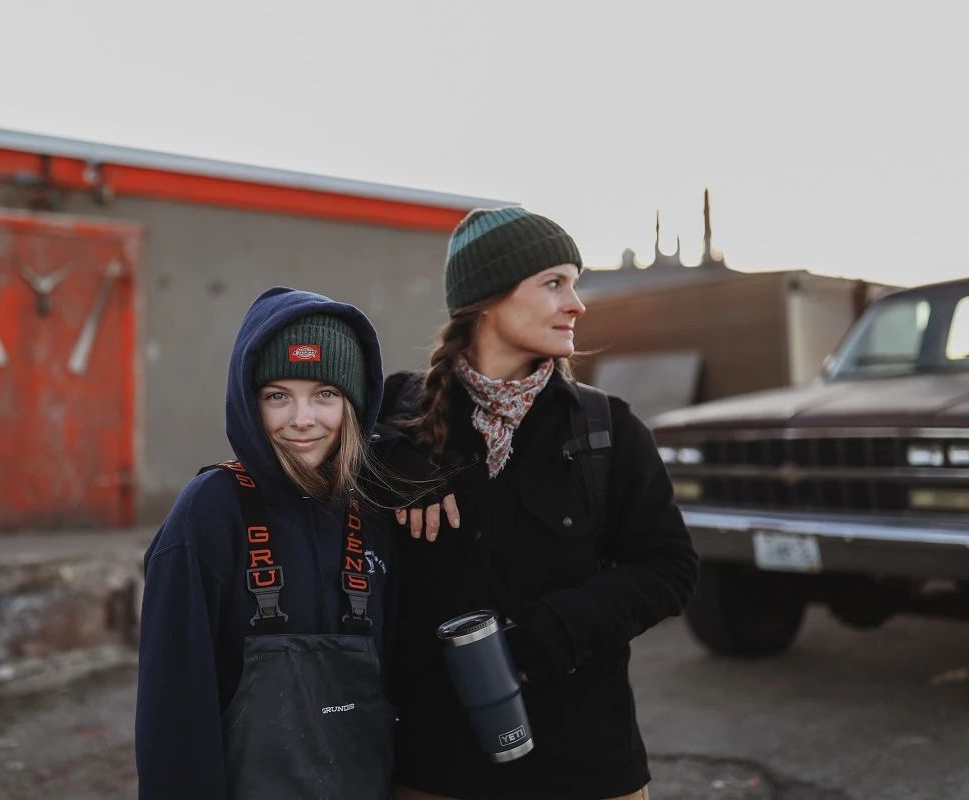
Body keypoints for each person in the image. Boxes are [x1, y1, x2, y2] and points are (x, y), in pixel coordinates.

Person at [379, 207, 699, 800]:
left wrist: (549, 631)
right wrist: (393, 457)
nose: (576, 303)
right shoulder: (395, 420)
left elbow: (670, 570)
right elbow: (307, 453)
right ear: (484, 299)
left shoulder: (608, 429)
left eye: (574, 282)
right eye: (554, 283)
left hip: (585, 764)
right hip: (437, 766)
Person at [135, 287, 397, 800]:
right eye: (277, 396)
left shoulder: (379, 515)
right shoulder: (210, 511)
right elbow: (173, 715)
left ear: (355, 404)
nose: (302, 419)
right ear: (248, 402)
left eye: (326, 394)